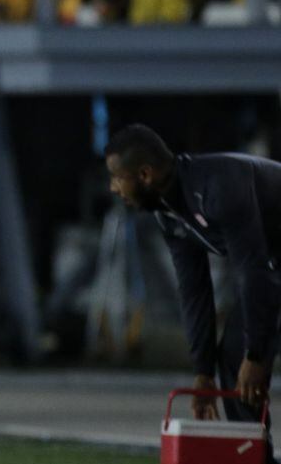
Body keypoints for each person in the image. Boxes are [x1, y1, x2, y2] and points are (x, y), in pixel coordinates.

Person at [105, 124, 281, 460]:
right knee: (235, 358)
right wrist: (203, 372)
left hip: (267, 266)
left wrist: (257, 355)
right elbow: (194, 290)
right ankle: (256, 458)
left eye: (116, 178)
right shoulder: (169, 214)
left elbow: (253, 272)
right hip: (271, 263)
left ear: (145, 174)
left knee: (246, 353)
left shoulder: (218, 188)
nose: (113, 188)